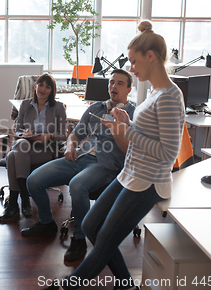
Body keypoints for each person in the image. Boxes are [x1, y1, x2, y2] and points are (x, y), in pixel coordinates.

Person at [44, 21, 185, 290]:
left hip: (147, 182)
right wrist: (127, 125)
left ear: (150, 56)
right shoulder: (155, 92)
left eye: (133, 61)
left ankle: (67, 287)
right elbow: (149, 136)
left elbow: (168, 154)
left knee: (105, 238)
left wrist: (127, 132)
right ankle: (126, 284)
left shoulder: (169, 96)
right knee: (91, 225)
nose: (131, 67)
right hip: (129, 174)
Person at [21, 69, 135, 262]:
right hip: (80, 157)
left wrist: (118, 130)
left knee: (77, 185)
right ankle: (47, 222)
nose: (113, 86)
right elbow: (75, 134)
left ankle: (80, 238)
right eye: (111, 82)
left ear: (129, 89)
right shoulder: (96, 108)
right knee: (34, 180)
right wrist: (70, 145)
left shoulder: (132, 114)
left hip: (106, 164)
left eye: (120, 83)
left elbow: (132, 151)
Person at [0, 73, 67, 222]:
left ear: (52, 91)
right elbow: (17, 129)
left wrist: (48, 136)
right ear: (35, 86)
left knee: (11, 156)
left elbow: (63, 135)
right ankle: (24, 198)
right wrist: (25, 133)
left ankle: (14, 203)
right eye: (40, 84)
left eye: (47, 87)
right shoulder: (24, 105)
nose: (43, 89)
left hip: (45, 149)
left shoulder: (58, 107)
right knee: (20, 146)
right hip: (24, 145)